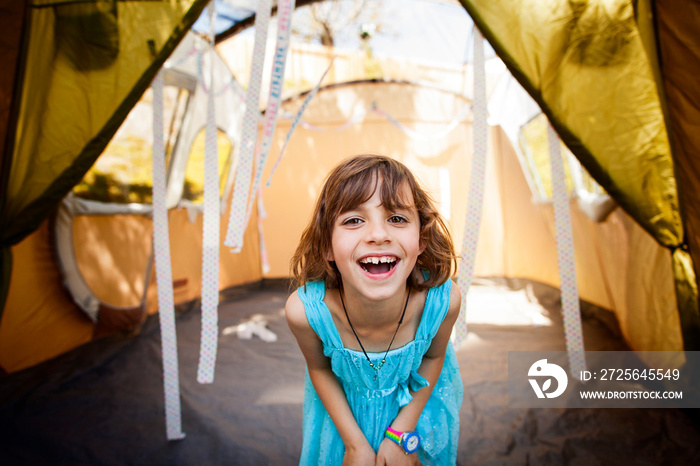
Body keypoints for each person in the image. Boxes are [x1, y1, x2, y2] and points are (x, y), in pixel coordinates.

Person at [285, 154, 463, 465]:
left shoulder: (442, 303)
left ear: (421, 239)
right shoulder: (305, 313)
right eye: (353, 220)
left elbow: (435, 357)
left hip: (413, 415)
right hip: (344, 422)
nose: (378, 235)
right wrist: (354, 445)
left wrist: (399, 434)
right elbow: (320, 368)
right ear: (326, 246)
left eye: (396, 218)